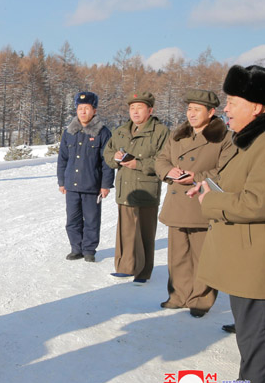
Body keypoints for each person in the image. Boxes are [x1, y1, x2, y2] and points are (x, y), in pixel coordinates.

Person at [187, 65, 265, 383]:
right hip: (244, 258)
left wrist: (211, 202)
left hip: (255, 263)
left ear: (257, 106)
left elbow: (258, 201)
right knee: (250, 336)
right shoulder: (249, 139)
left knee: (257, 336)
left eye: (234, 101)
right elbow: (239, 183)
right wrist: (209, 185)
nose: (227, 108)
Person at [155, 89, 236, 318]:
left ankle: (201, 299)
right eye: (189, 109)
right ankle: (178, 295)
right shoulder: (177, 135)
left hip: (202, 201)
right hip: (177, 202)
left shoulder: (225, 138)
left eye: (197, 110)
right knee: (178, 254)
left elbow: (227, 172)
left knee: (203, 256)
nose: (191, 114)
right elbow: (161, 159)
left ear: (211, 112)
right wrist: (168, 171)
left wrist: (196, 177)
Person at [104, 91, 169, 284]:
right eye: (132, 108)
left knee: (145, 232)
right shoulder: (121, 131)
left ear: (150, 110)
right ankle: (125, 267)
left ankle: (143, 272)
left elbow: (165, 160)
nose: (135, 111)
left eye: (139, 107)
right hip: (126, 188)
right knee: (125, 231)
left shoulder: (160, 132)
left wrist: (138, 164)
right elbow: (107, 153)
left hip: (147, 189)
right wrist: (115, 158)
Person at [57, 91, 114, 262]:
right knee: (72, 220)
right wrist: (62, 181)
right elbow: (62, 159)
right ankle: (76, 248)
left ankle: (89, 250)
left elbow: (107, 161)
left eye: (87, 108)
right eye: (80, 108)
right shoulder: (69, 132)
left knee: (91, 220)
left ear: (94, 110)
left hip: (92, 186)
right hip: (72, 186)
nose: (83, 112)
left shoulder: (103, 133)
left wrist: (105, 185)